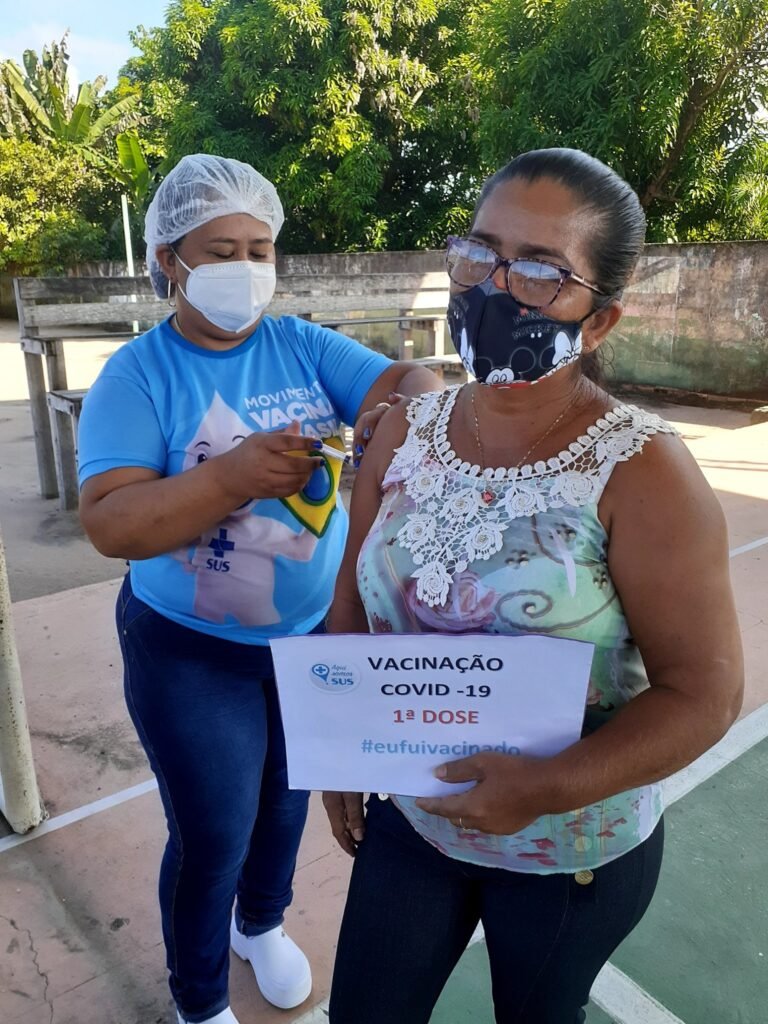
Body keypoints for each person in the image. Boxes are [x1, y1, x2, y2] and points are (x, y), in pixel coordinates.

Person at [323, 148, 744, 1024]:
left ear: (599, 322)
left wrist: (542, 790)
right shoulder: (402, 432)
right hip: (417, 810)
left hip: (571, 846)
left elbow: (703, 694)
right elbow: (349, 603)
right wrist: (341, 753)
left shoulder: (644, 472)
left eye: (541, 272)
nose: (494, 287)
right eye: (480, 253)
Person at [77, 153, 442, 1024]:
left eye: (261, 248)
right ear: (169, 260)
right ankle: (198, 998)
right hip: (190, 652)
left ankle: (262, 925)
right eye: (220, 250)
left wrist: (410, 402)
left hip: (308, 636)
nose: (247, 270)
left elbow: (400, 382)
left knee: (285, 803)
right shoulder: (137, 375)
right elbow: (111, 524)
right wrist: (231, 475)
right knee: (212, 831)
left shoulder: (300, 344)